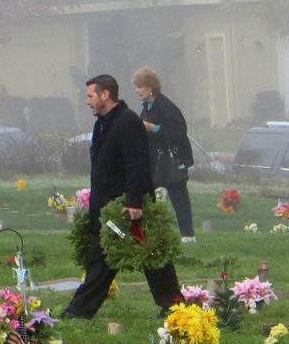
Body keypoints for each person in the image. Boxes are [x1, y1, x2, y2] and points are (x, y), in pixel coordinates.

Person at [62, 74, 181, 319]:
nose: (87, 101)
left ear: (105, 94)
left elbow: (137, 165)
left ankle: (175, 305)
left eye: (90, 96)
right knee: (104, 259)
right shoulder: (103, 123)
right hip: (107, 208)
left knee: (150, 254)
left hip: (124, 209)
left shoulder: (127, 122)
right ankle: (78, 312)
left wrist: (134, 202)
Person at [133, 67, 195, 242]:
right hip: (153, 162)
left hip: (171, 161)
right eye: (136, 87)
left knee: (179, 196)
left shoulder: (167, 107)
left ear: (151, 87)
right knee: (145, 196)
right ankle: (145, 233)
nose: (137, 91)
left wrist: (152, 128)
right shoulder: (146, 107)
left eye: (140, 87)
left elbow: (176, 133)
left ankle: (187, 235)